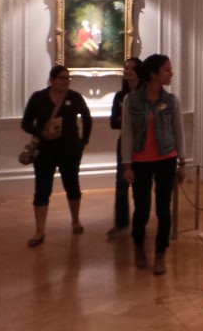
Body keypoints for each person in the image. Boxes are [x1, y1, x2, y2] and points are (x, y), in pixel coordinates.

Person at [121, 54, 186, 275]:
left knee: (163, 208)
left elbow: (178, 131)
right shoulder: (132, 100)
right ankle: (139, 246)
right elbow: (127, 133)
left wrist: (183, 161)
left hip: (166, 158)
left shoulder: (171, 101)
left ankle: (160, 253)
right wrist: (127, 164)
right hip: (140, 160)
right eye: (167, 70)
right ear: (153, 74)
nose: (171, 74)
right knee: (141, 208)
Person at [20, 65, 92, 247]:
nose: (66, 81)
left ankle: (75, 221)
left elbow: (87, 118)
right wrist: (42, 133)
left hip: (69, 149)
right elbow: (26, 123)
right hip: (44, 150)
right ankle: (39, 230)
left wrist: (83, 142)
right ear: (51, 80)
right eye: (62, 78)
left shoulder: (74, 97)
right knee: (42, 188)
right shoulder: (38, 98)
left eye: (68, 78)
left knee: (72, 185)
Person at [107, 56, 144, 239]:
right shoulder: (120, 96)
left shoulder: (145, 93)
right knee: (121, 183)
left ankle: (140, 223)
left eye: (130, 68)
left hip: (143, 144)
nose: (127, 71)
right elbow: (113, 122)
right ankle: (120, 223)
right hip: (125, 143)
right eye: (125, 67)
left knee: (140, 186)